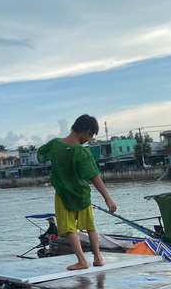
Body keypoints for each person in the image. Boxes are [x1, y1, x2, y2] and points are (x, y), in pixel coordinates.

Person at [37, 114, 117, 270]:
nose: (89, 140)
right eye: (91, 136)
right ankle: (98, 258)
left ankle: (82, 261)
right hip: (82, 194)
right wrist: (107, 198)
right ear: (87, 132)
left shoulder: (55, 145)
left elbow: (41, 153)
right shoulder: (83, 153)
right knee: (90, 226)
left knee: (68, 228)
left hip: (63, 194)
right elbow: (94, 176)